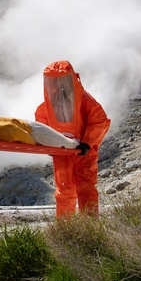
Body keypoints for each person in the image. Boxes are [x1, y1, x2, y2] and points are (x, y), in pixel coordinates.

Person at [34, 60, 111, 218]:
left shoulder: (85, 100)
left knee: (86, 187)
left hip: (83, 152)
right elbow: (41, 124)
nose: (59, 85)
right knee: (64, 189)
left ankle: (89, 225)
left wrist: (87, 143)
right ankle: (65, 227)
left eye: (62, 80)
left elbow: (99, 121)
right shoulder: (48, 105)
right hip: (62, 152)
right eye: (55, 81)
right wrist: (48, 143)